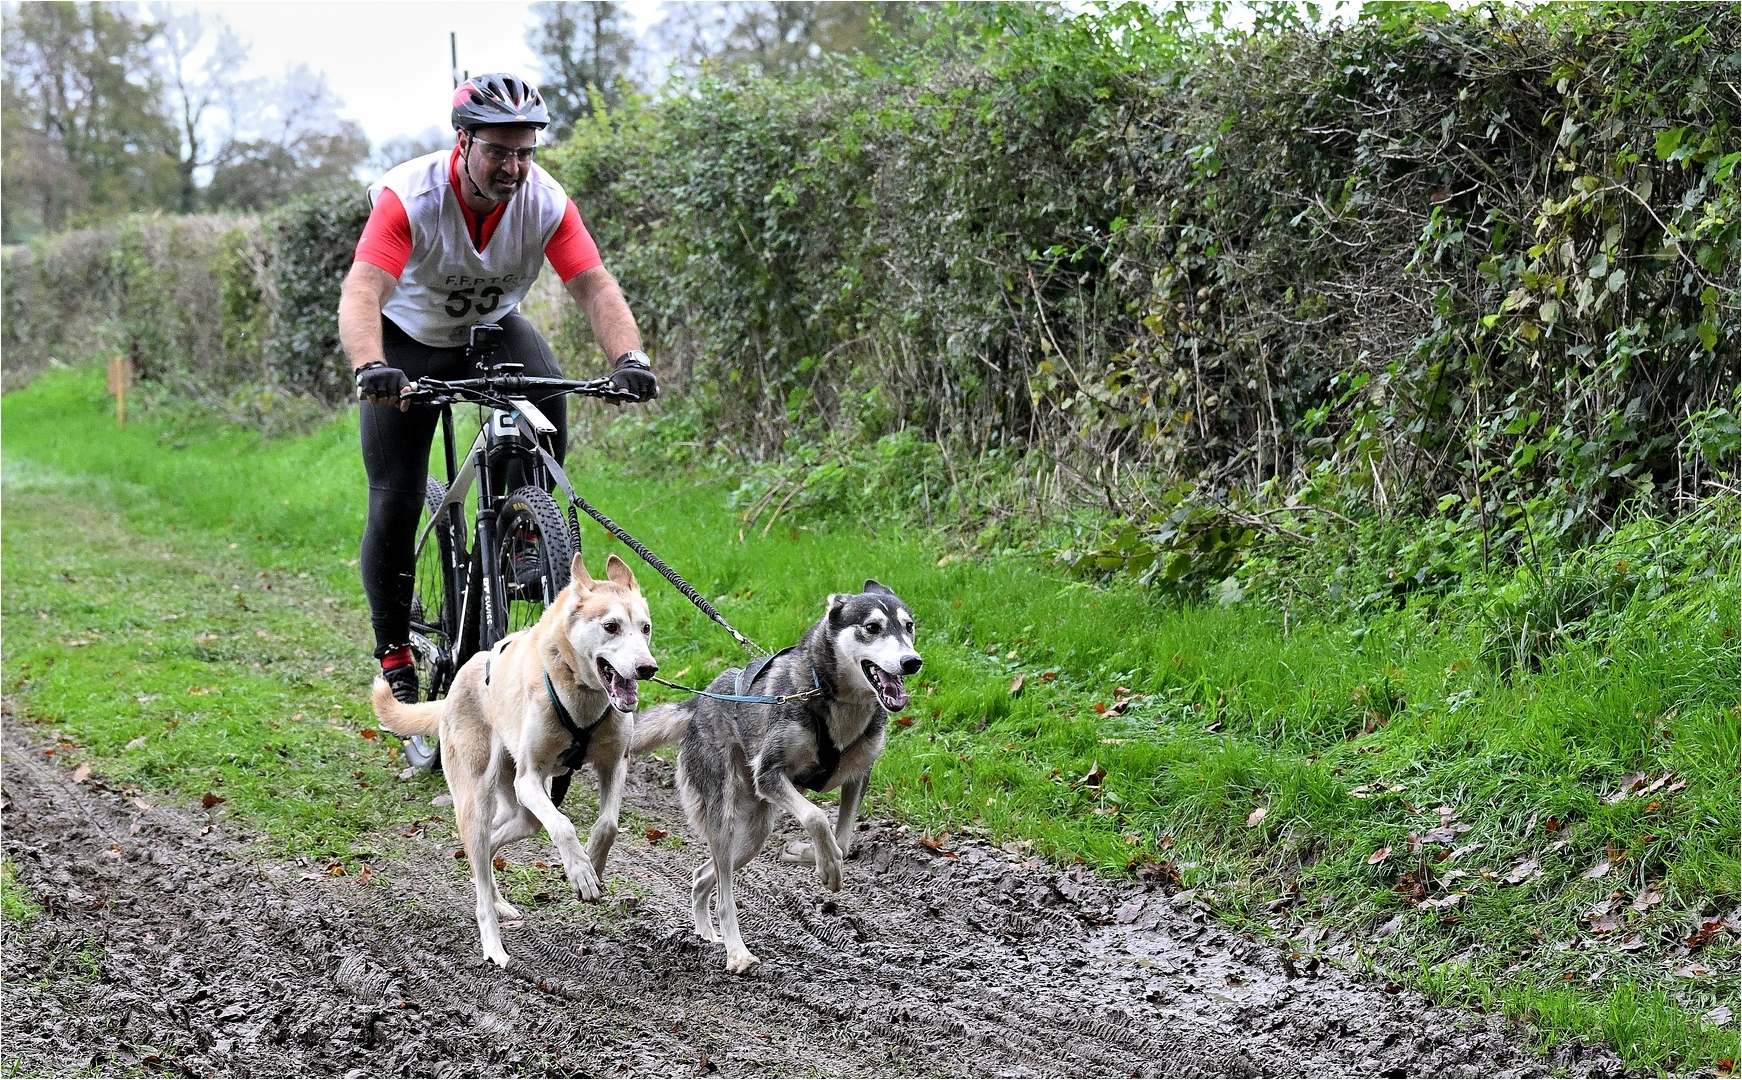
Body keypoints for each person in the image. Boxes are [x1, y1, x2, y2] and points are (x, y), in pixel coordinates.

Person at [337, 73, 656, 704]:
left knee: (547, 410)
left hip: (492, 331)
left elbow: (593, 285)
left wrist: (630, 357)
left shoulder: (546, 201)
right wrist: (371, 366)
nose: (513, 167)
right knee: (397, 495)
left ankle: (520, 535)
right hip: (407, 339)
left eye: (525, 153)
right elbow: (364, 289)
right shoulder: (411, 197)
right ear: (463, 142)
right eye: (498, 152)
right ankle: (394, 645)